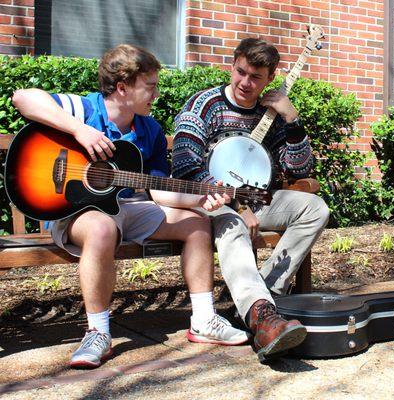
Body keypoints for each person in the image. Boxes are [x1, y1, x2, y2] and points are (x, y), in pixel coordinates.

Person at [11, 44, 249, 369]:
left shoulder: (148, 129)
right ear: (123, 87)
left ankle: (204, 319)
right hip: (77, 211)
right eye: (149, 86)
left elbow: (159, 191)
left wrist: (203, 197)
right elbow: (22, 98)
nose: (156, 93)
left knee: (196, 223)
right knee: (101, 227)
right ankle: (98, 333)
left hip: (127, 208)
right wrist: (80, 131)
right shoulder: (84, 110)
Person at [170, 37, 330, 362]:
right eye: (240, 72)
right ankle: (261, 316)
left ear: (270, 79)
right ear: (232, 66)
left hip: (261, 200)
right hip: (212, 203)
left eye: (255, 77)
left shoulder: (270, 113)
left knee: (316, 208)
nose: (245, 82)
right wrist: (235, 206)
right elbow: (185, 163)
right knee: (232, 225)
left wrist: (292, 120)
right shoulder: (205, 105)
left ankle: (266, 292)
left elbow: (299, 168)